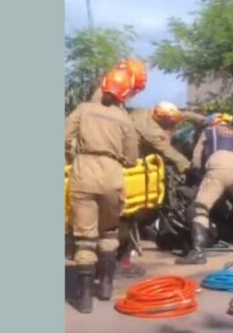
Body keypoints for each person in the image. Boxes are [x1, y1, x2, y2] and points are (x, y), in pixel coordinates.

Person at [64, 60, 145, 313]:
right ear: (126, 93)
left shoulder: (83, 109)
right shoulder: (125, 119)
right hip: (112, 176)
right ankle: (106, 287)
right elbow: (131, 158)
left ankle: (84, 299)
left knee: (85, 238)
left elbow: (65, 138)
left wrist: (73, 155)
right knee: (109, 232)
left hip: (83, 173)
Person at [176, 113, 233, 264]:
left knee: (200, 208)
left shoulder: (207, 133)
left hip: (216, 170)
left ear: (213, 123)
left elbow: (196, 160)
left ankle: (198, 253)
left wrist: (200, 175)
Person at [129, 101, 206, 174]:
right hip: (134, 151)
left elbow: (181, 115)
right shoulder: (151, 131)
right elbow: (168, 151)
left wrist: (204, 120)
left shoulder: (153, 112)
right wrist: (188, 167)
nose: (173, 124)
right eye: (171, 122)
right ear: (163, 119)